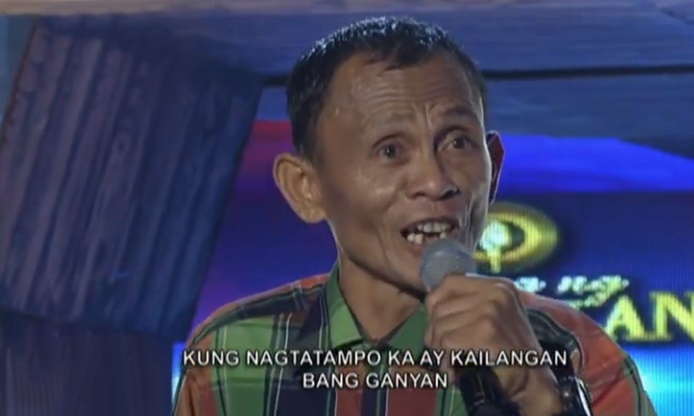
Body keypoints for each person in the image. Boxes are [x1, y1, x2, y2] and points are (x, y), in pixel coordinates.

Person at [173, 16, 656, 416]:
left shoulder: (577, 355)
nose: (436, 180)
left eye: (458, 142)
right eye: (390, 150)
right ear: (306, 187)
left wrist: (540, 399)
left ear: (494, 167)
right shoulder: (229, 359)